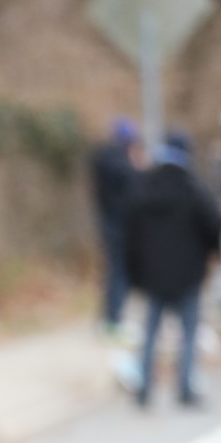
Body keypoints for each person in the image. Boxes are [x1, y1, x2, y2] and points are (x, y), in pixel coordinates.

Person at [124, 130, 221, 408]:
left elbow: (130, 234)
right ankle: (185, 388)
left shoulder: (144, 187)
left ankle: (144, 386)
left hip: (153, 276)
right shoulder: (193, 189)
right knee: (188, 333)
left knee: (150, 332)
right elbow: (214, 226)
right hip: (188, 275)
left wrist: (135, 273)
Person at [90, 118, 141, 331]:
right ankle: (113, 319)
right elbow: (134, 182)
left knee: (115, 272)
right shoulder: (117, 162)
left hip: (112, 224)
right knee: (118, 273)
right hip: (117, 226)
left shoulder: (106, 158)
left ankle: (111, 317)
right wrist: (136, 166)